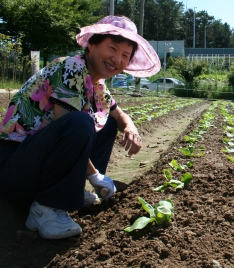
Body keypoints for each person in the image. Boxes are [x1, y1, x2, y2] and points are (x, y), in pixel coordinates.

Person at [0, 15, 160, 239]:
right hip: (13, 167)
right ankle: (46, 208)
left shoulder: (96, 84)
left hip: (34, 165)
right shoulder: (70, 67)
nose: (117, 59)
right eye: (112, 48)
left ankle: (70, 191)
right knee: (79, 122)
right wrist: (95, 176)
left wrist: (130, 127)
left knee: (108, 123)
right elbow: (68, 127)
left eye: (125, 55)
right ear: (92, 44)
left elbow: (117, 113)